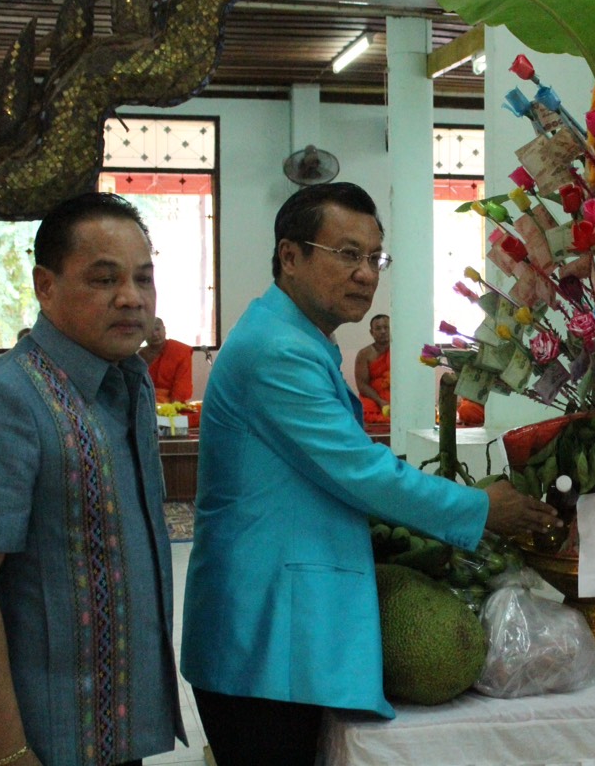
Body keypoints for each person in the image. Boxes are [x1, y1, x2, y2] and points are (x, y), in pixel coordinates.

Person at [180, 182, 558, 765]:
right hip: (264, 625)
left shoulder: (296, 339)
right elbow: (361, 471)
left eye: (375, 258)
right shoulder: (276, 351)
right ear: (289, 256)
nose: (365, 274)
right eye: (347, 254)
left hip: (285, 620)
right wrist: (482, 509)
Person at [0, 193, 185, 766]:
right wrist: (7, 752)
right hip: (44, 738)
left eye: (143, 278)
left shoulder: (129, 386)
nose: (132, 297)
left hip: (116, 728)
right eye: (104, 279)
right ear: (45, 286)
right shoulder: (2, 401)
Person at [139, 316, 193, 403]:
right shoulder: (140, 355)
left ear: (164, 329)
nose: (154, 334)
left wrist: (171, 409)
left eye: (157, 329)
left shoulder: (179, 351)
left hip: (172, 405)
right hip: (144, 403)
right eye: (149, 331)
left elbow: (182, 387)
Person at [355, 313, 391, 423]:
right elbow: (362, 385)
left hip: (395, 395)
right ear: (372, 332)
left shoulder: (401, 351)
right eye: (378, 328)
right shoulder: (364, 354)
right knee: (365, 411)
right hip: (373, 398)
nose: (383, 331)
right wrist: (379, 401)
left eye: (386, 327)